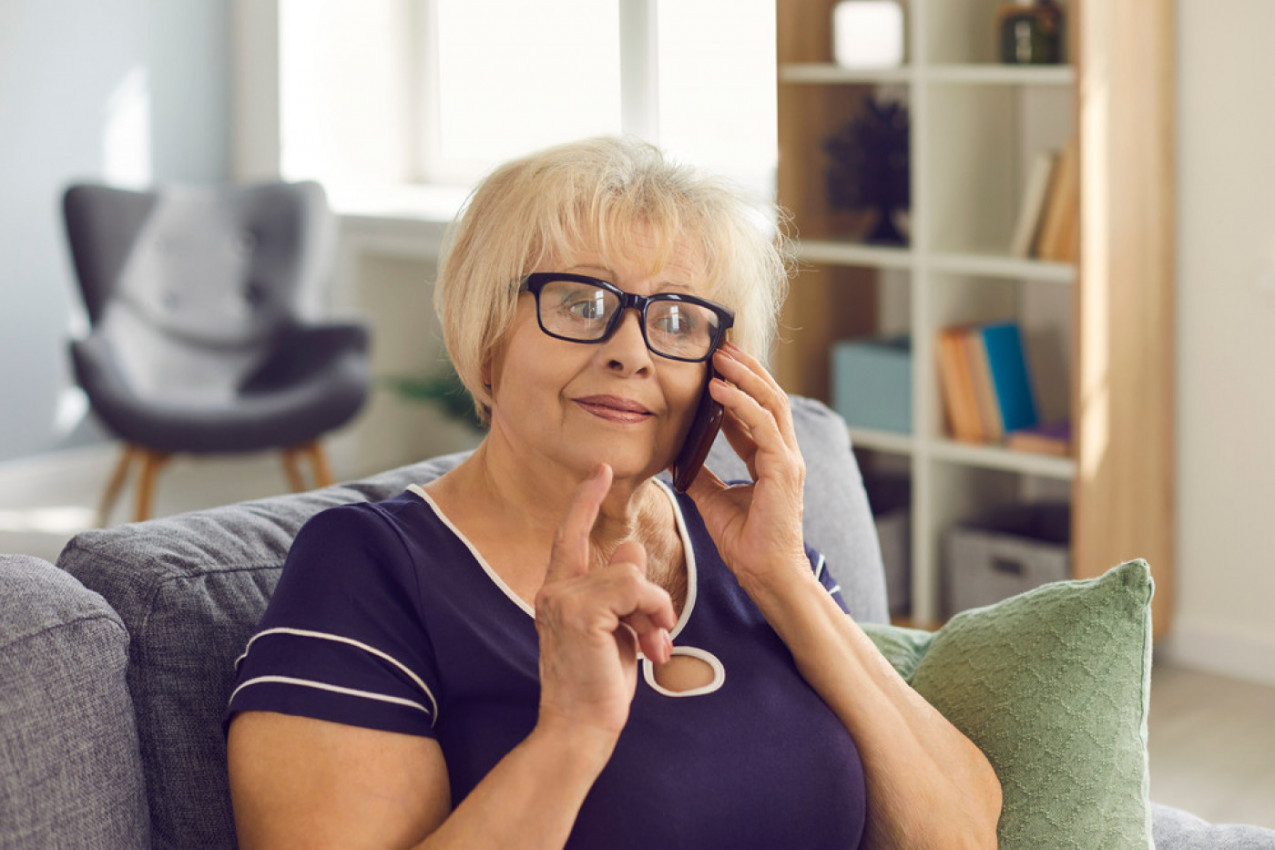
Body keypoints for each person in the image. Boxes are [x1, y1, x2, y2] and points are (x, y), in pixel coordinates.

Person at [225, 137, 1002, 849]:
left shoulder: (762, 558)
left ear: (719, 372)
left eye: (677, 318)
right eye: (582, 303)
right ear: (487, 337)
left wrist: (785, 582)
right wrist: (573, 732)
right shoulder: (370, 569)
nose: (630, 352)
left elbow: (962, 836)